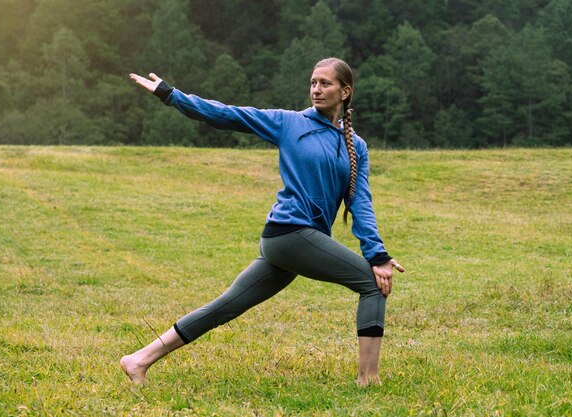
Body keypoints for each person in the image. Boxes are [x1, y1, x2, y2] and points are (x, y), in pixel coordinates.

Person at [120, 57, 405, 387]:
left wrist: (377, 253)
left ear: (345, 91)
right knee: (371, 285)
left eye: (325, 84)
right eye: (313, 82)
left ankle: (138, 360)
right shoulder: (288, 123)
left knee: (224, 307)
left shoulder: (356, 146)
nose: (316, 89)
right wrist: (171, 95)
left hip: (292, 244)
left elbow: (361, 203)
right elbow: (227, 114)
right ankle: (368, 380)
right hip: (289, 233)